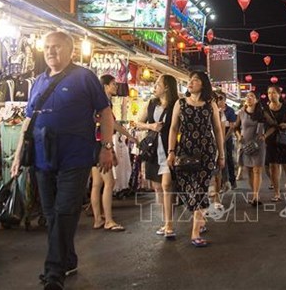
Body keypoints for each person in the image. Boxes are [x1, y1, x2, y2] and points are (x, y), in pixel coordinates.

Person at [11, 31, 115, 290]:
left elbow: (105, 112)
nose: (50, 51)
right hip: (42, 158)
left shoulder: (84, 77)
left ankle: (54, 272)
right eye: (46, 47)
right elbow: (28, 119)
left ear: (70, 51)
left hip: (75, 157)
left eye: (56, 47)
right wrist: (17, 155)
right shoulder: (37, 81)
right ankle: (68, 259)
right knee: (51, 214)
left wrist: (107, 146)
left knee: (64, 211)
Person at [167, 71, 225, 247]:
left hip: (206, 151)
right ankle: (200, 218)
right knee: (185, 186)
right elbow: (173, 128)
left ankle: (195, 232)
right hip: (184, 150)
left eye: (195, 80)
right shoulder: (181, 103)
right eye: (189, 80)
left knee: (200, 187)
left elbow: (217, 130)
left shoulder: (210, 104)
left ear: (203, 84)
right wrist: (171, 151)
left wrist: (221, 154)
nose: (191, 82)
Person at [90, 75, 137, 233]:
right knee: (109, 182)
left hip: (93, 145)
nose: (116, 87)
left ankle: (98, 219)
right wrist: (127, 137)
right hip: (100, 145)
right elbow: (112, 124)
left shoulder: (95, 101)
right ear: (105, 86)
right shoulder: (103, 102)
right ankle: (108, 220)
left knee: (97, 184)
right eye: (113, 84)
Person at [134, 74, 178, 238]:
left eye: (158, 83)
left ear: (166, 87)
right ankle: (165, 220)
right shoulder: (151, 103)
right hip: (152, 151)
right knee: (157, 187)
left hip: (169, 150)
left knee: (167, 185)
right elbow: (137, 123)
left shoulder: (175, 105)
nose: (155, 86)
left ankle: (169, 224)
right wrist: (150, 125)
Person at [233, 91, 266, 205]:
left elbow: (271, 126)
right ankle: (254, 193)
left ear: (256, 100)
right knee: (249, 170)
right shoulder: (241, 113)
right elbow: (236, 127)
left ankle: (256, 196)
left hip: (258, 145)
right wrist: (238, 136)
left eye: (252, 96)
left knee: (257, 170)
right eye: (247, 96)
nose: (249, 98)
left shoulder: (261, 113)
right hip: (245, 145)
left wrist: (264, 136)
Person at [264, 85, 286, 201]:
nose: (271, 95)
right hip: (271, 140)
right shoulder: (266, 110)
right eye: (269, 93)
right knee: (273, 167)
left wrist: (285, 125)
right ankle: (277, 193)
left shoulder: (285, 107)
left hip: (284, 139)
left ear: (279, 94)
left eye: (273, 93)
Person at [216, 93, 238, 190]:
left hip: (227, 137)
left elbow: (232, 126)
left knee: (228, 159)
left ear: (225, 100)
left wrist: (224, 139)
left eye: (221, 100)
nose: (219, 102)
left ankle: (232, 181)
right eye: (218, 100)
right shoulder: (215, 109)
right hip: (217, 137)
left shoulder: (230, 111)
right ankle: (221, 183)